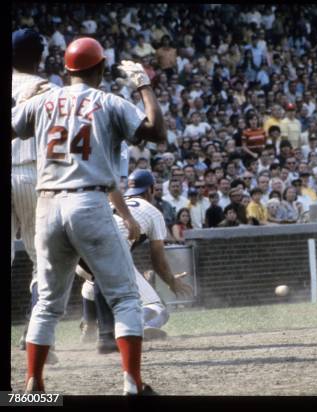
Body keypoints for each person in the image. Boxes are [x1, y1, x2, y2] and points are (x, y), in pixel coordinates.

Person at [12, 37, 165, 394]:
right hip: (89, 202)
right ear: (100, 70)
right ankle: (133, 384)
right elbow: (157, 133)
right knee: (125, 297)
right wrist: (143, 84)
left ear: (65, 71)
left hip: (47, 204)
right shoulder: (110, 101)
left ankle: (32, 384)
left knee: (49, 302)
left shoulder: (42, 99)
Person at [77, 170, 193, 352]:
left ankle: (90, 327)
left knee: (92, 282)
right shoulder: (153, 212)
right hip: (110, 251)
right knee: (157, 308)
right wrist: (171, 281)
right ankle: (139, 325)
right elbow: (158, 261)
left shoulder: (113, 202)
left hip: (79, 253)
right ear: (151, 189)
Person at [11, 29, 61, 362]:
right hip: (32, 174)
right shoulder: (50, 89)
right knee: (41, 260)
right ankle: (37, 337)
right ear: (40, 56)